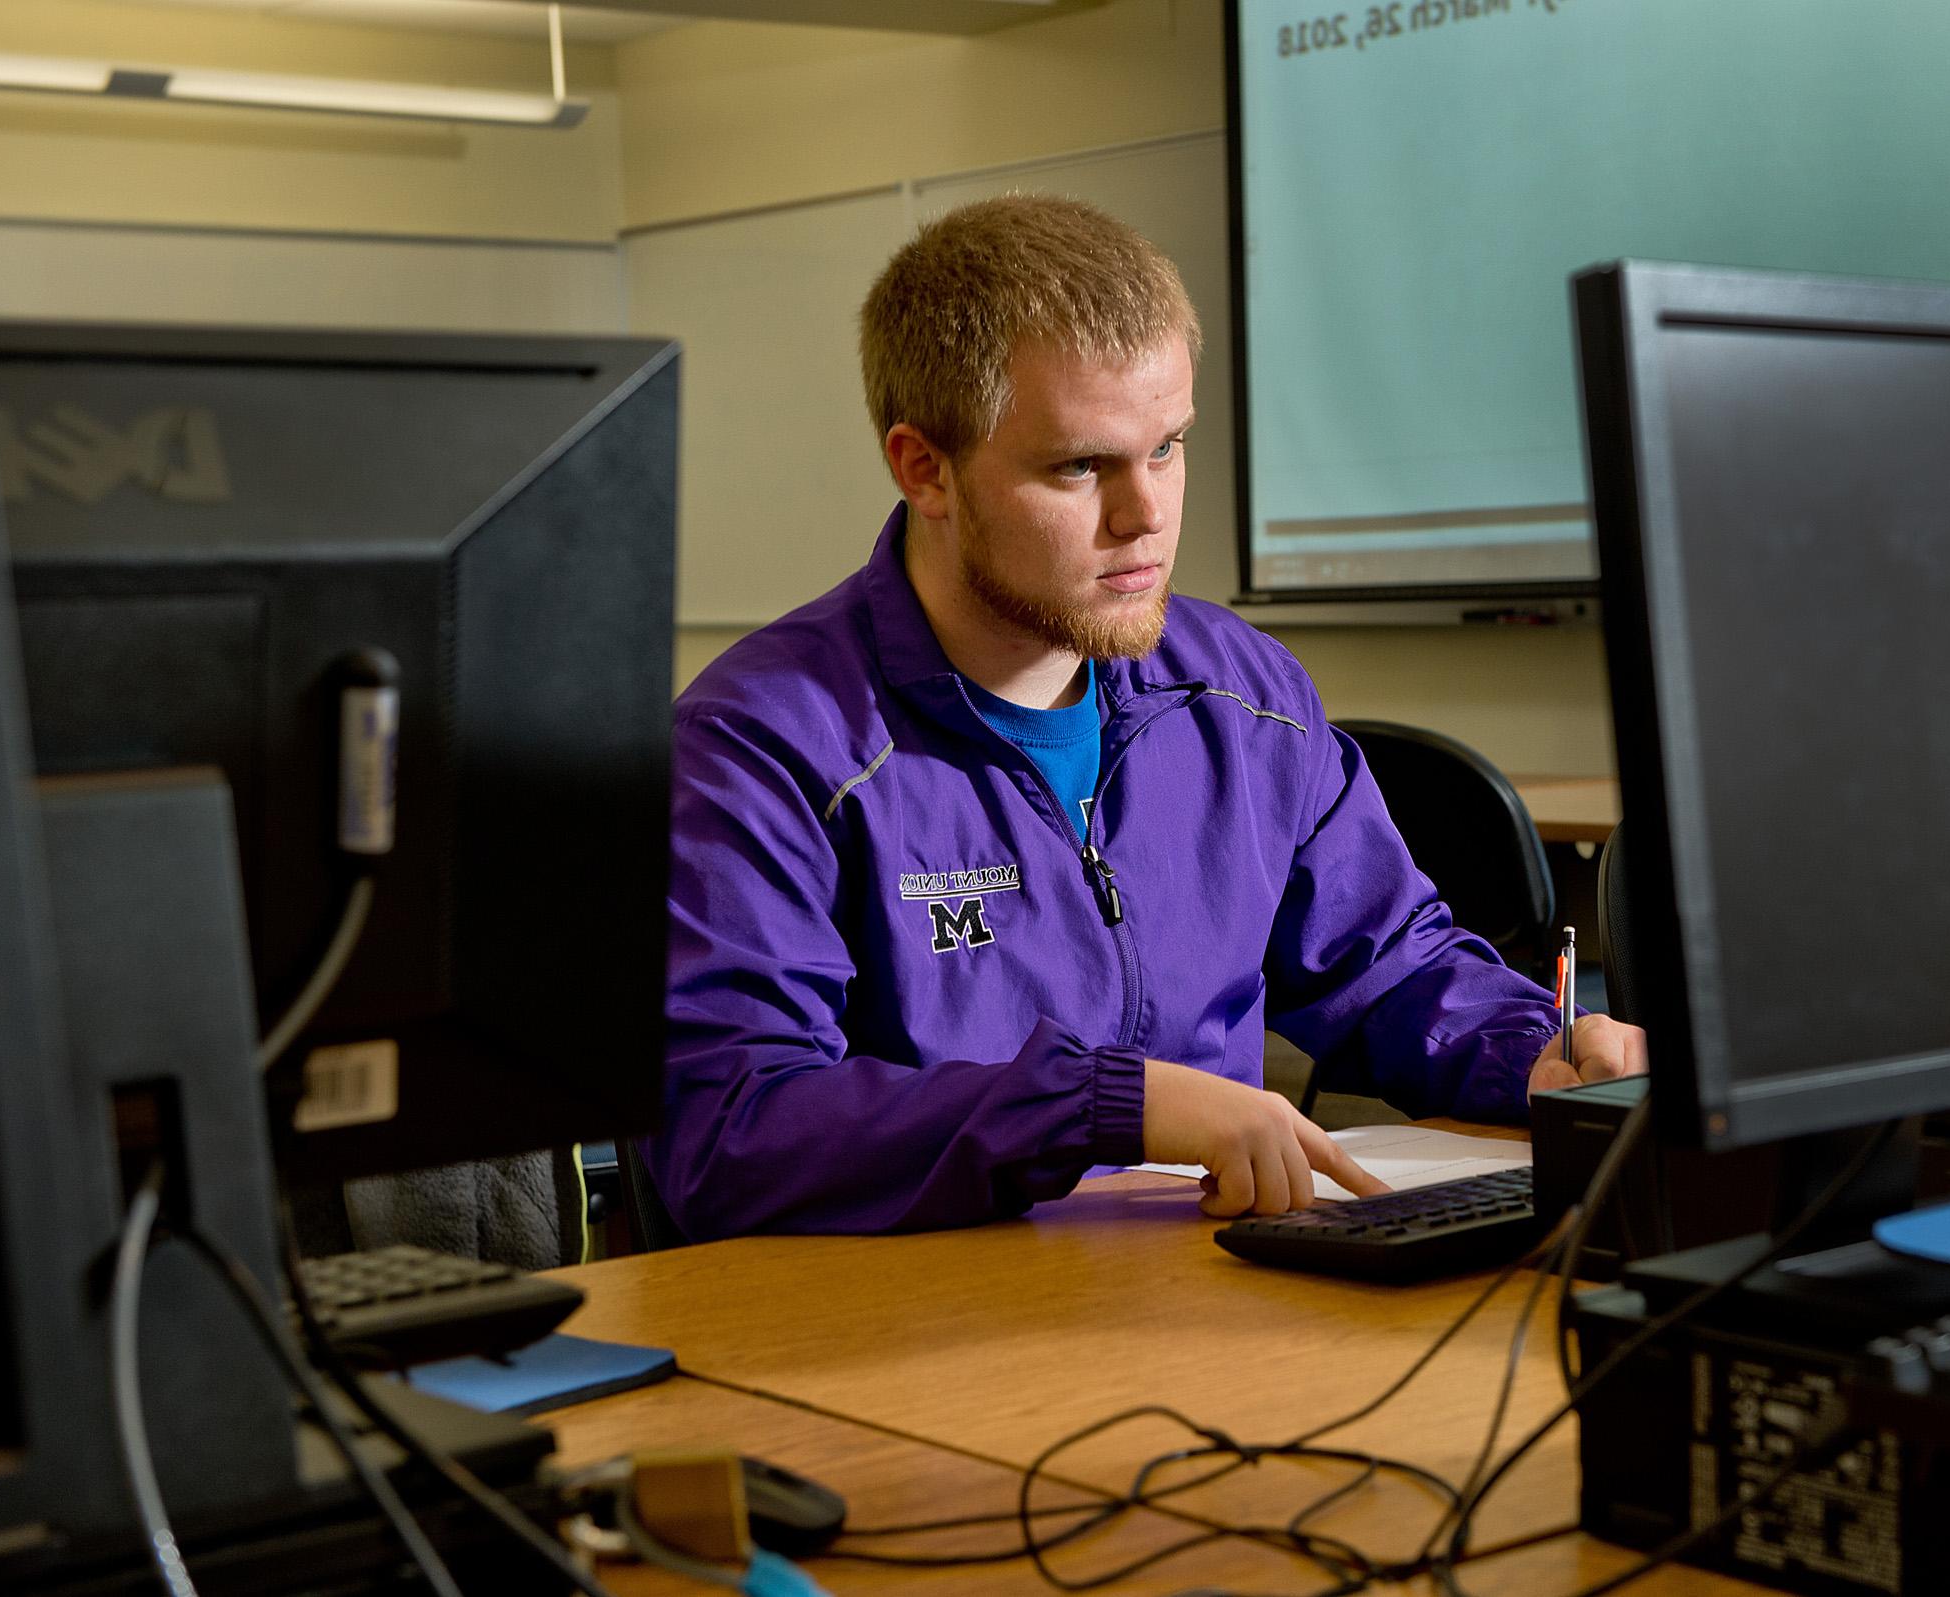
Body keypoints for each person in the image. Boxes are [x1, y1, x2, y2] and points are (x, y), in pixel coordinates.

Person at [651, 195, 1645, 1240]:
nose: (1147, 516)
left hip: (1212, 1304)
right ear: (924, 468)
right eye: (1082, 466)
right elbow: (727, 1133)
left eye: (1168, 446)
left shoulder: (1248, 701)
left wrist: (1542, 1048)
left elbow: (1392, 969)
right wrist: (1103, 1108)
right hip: (923, 1333)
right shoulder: (761, 749)